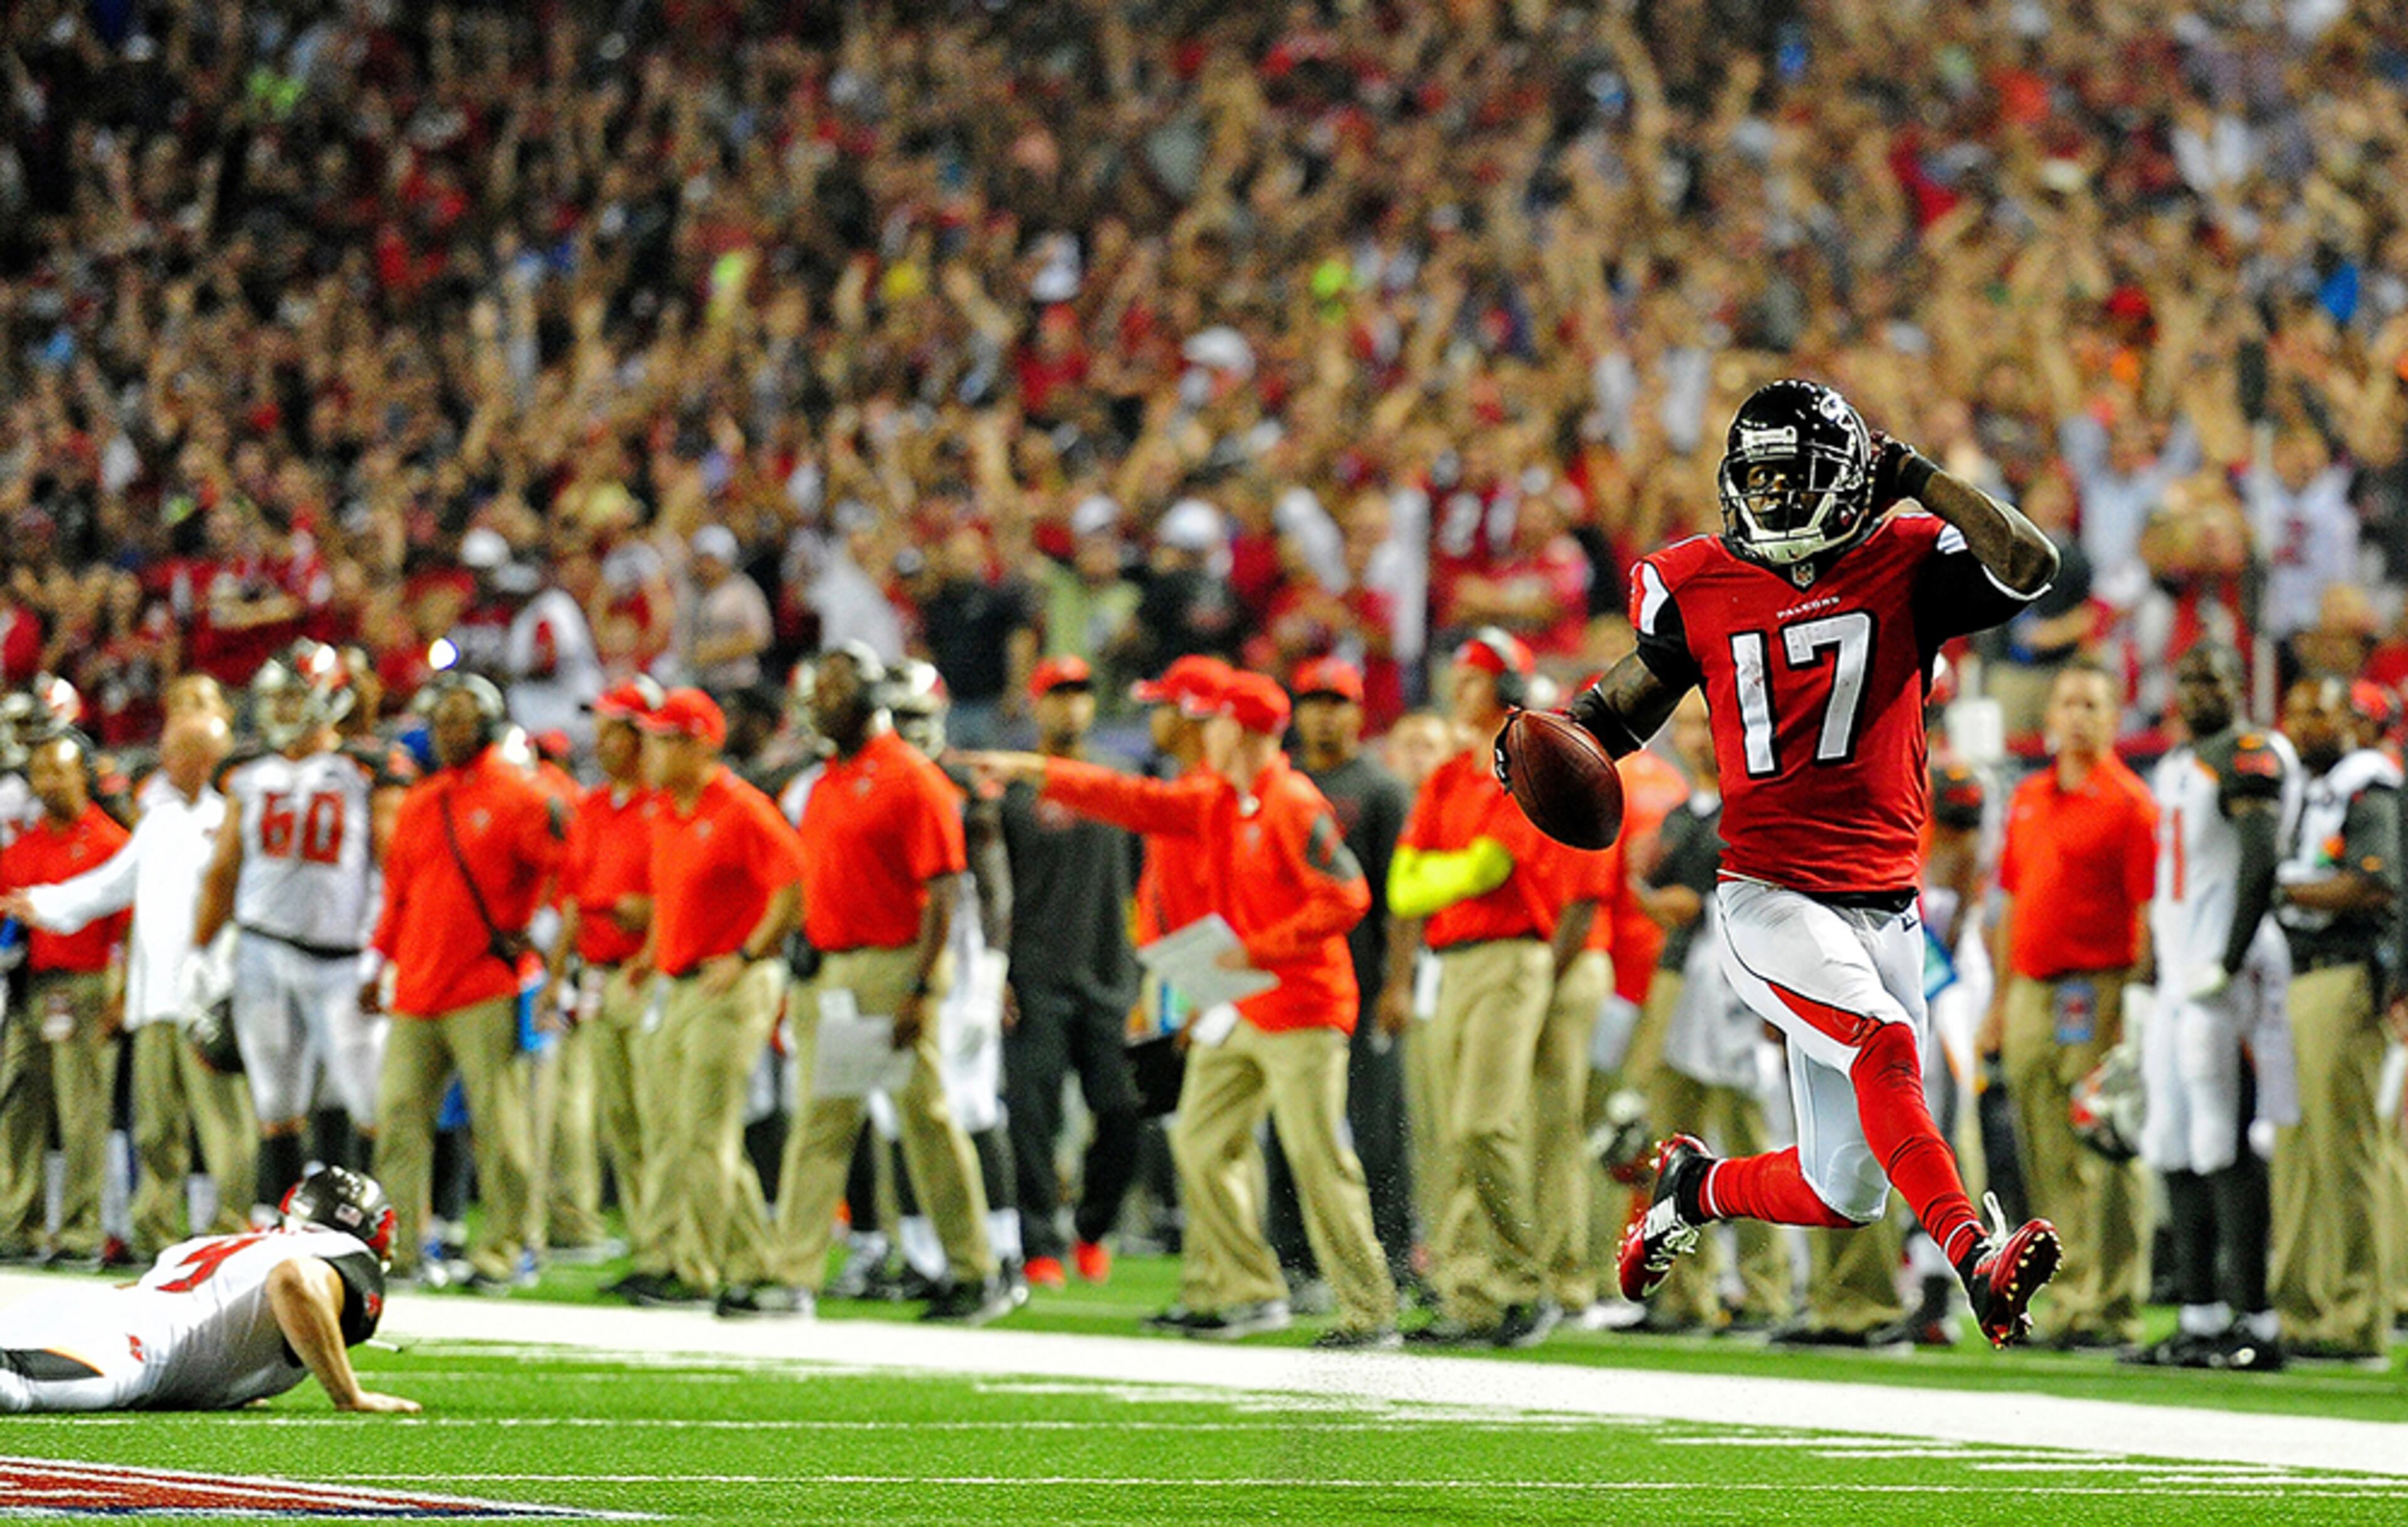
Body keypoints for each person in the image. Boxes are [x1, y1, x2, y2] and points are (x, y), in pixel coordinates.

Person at [1517, 378, 2066, 1348]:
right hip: (1771, 894)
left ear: (1851, 480)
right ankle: (1975, 1256)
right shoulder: (1698, 581)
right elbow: (1609, 718)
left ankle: (1695, 1186)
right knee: (1885, 1043)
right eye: (1757, 479)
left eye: (1792, 478)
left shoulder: (1904, 558)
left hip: (1888, 904)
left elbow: (2030, 563)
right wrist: (1539, 748)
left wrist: (1921, 479)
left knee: (1842, 1186)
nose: (1769, 499)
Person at [967, 670, 1401, 1347]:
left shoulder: (1290, 801)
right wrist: (1033, 768)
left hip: (1303, 1009)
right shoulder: (1224, 801)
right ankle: (1251, 1289)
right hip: (1242, 1006)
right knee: (1198, 1139)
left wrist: (1259, 948)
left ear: (1247, 730)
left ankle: (1370, 1310)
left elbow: (1348, 895)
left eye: (1219, 721)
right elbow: (1131, 799)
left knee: (1319, 1158)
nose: (1208, 733)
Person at [774, 646, 1011, 1325]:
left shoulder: (913, 778)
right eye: (818, 688)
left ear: (871, 696)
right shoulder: (823, 782)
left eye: (837, 688)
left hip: (891, 964)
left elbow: (944, 890)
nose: (822, 700)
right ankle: (791, 1274)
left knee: (927, 1119)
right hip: (832, 970)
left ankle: (974, 1269)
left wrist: (923, 986)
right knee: (821, 1123)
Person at [3, 711, 256, 1256]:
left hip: (212, 996)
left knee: (223, 1123)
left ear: (202, 759)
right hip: (155, 996)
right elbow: (110, 885)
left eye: (174, 750)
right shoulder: (159, 822)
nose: (162, 760)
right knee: (155, 1128)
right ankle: (157, 1233)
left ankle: (232, 1230)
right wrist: (45, 903)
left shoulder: (234, 818)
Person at [1384, 629, 1567, 1348]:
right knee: (1451, 1132)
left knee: (1484, 1123)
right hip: (1449, 962)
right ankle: (1471, 1295)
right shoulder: (1448, 776)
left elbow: (1490, 867)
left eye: (1470, 680)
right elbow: (1403, 884)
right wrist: (1443, 875)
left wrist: (1441, 875)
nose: (1457, 692)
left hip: (1510, 956)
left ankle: (1525, 1280)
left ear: (1506, 688)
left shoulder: (1523, 764)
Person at [2127, 643, 2301, 1371]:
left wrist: (2224, 960)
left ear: (2240, 685)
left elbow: (2261, 863)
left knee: (2222, 1139)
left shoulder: (2249, 752)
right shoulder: (2175, 763)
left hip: (2223, 972)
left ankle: (2254, 1317)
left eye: (2213, 677)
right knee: (2169, 1137)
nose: (2199, 690)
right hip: (2179, 976)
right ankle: (2199, 1313)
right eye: (2189, 676)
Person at [1977, 662, 2157, 1350]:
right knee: (2042, 1144)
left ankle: (2113, 1300)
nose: (2078, 714)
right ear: (2049, 715)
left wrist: (2127, 1012)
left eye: (2093, 702)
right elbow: (2012, 903)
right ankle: (2069, 1296)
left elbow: (2145, 915)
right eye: (2068, 702)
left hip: (2098, 986)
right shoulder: (2027, 796)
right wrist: (1997, 1002)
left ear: (2114, 718)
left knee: (2104, 1146)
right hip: (2030, 985)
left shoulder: (2130, 802)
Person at [369, 672, 564, 1291]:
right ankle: (397, 1253)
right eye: (439, 721)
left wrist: (539, 929)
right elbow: (398, 894)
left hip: (486, 982)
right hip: (417, 986)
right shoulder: (423, 800)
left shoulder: (521, 794)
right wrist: (378, 963)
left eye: (459, 720)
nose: (447, 731)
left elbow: (566, 869)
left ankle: (506, 1249)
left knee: (500, 1125)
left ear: (487, 725)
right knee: (398, 1116)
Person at [194, 641, 402, 1216]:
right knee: (274, 1101)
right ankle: (273, 1219)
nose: (283, 708)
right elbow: (224, 871)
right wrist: (200, 950)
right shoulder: (248, 772)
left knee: (367, 1098)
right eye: (276, 696)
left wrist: (381, 951)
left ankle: (370, 1219)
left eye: (294, 695)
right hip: (262, 947)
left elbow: (394, 870)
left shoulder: (367, 770)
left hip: (343, 958)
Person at [626, 687, 804, 1316]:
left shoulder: (741, 807)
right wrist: (652, 953)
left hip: (728, 982)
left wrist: (750, 954)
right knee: (679, 1130)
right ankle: (747, 1259)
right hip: (679, 982)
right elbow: (676, 897)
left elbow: (794, 883)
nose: (648, 748)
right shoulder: (668, 808)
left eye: (662, 737)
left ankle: (699, 1269)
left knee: (707, 1130)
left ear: (700, 742)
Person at [1622, 691, 1790, 1334]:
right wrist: (1648, 893)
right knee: (1673, 1141)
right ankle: (1682, 1291)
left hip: (1737, 981)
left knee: (1746, 1138)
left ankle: (1764, 1288)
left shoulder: (1754, 809)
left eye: (1708, 724)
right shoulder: (1675, 817)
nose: (1697, 737)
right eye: (1688, 723)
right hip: (1677, 979)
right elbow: (1663, 902)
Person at [0, 1166, 415, 1415]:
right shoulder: (346, 1252)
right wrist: (349, 1395)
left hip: (84, 1307)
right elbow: (294, 1282)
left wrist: (235, 1387)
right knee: (16, 1389)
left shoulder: (234, 1243)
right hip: (131, 1347)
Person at [1262, 657, 1415, 1293]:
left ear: (1359, 711)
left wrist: (1399, 980)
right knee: (1290, 1126)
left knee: (1377, 1126)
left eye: (1338, 700)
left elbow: (1400, 896)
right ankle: (1296, 1259)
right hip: (1292, 982)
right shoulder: (1282, 782)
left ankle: (1394, 1252)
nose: (1325, 712)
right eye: (1314, 700)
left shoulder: (1380, 788)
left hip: (1363, 979)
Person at [998, 655, 1143, 1289]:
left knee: (1123, 1108)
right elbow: (992, 888)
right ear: (1036, 703)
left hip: (1110, 972)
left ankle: (1093, 1220)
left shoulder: (1122, 779)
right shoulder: (1014, 789)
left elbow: (1148, 878)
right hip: (1032, 976)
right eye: (1057, 692)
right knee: (1033, 1115)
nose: (1071, 704)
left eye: (1080, 692)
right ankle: (1040, 1241)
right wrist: (995, 971)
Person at [2269, 678, 2400, 1361]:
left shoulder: (2368, 787)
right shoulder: (2312, 789)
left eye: (2320, 713)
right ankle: (2302, 1310)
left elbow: (2376, 881)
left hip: (2341, 973)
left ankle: (2357, 1316)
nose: (2304, 724)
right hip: (2296, 973)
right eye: (2295, 711)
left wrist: (2278, 885)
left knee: (2347, 1153)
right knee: (2295, 1153)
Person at [546, 680, 667, 1303]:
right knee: (619, 1121)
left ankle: (673, 1248)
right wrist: (554, 974)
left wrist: (647, 925)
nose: (602, 739)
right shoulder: (592, 807)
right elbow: (571, 898)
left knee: (657, 1116)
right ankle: (649, 1245)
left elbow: (680, 896)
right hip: (598, 972)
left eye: (615, 728)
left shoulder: (667, 803)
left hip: (646, 972)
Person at [0, 731, 131, 1265]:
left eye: (59, 769)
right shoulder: (22, 847)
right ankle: (17, 1222)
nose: (48, 782)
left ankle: (79, 1230)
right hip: (31, 986)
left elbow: (128, 929)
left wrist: (120, 995)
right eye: (40, 771)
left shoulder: (111, 842)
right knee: (18, 1106)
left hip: (87, 984)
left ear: (85, 776)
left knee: (82, 1112)